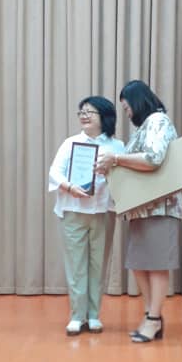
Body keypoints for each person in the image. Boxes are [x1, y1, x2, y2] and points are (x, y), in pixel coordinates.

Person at [96, 80, 182, 343]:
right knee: (139, 264)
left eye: (127, 107)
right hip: (141, 208)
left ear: (137, 101)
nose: (127, 113)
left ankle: (153, 319)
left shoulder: (158, 120)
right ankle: (150, 315)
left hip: (159, 206)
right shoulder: (144, 127)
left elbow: (153, 158)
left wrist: (116, 159)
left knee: (156, 265)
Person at [49, 96, 124, 335]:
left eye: (90, 112)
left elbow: (125, 179)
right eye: (81, 112)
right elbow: (55, 172)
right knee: (76, 266)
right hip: (73, 210)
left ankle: (93, 315)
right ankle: (76, 316)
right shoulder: (70, 143)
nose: (84, 116)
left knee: (98, 264)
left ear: (105, 116)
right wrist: (70, 187)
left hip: (103, 212)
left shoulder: (117, 147)